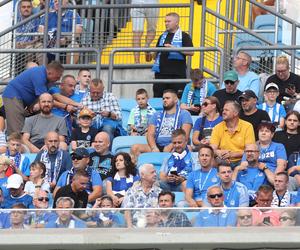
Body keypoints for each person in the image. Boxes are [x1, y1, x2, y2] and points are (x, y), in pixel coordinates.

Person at [2, 61, 64, 135]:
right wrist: (65, 106)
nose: (58, 79)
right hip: (13, 96)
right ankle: (17, 144)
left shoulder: (43, 74)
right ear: (50, 72)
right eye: (57, 77)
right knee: (17, 129)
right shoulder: (39, 75)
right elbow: (45, 99)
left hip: (22, 99)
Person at [131, 89, 192, 158]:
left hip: (176, 145)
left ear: (176, 100)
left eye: (167, 98)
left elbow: (185, 136)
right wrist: (154, 147)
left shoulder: (184, 114)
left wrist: (171, 145)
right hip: (157, 146)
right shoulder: (156, 114)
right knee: (135, 148)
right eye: (163, 98)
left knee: (184, 148)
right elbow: (150, 134)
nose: (165, 100)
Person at [151, 12, 194, 97]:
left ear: (176, 22)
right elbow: (155, 56)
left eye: (168, 21)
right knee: (158, 99)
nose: (166, 24)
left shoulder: (184, 36)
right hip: (161, 74)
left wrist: (175, 48)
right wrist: (153, 52)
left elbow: (191, 52)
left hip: (177, 75)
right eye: (165, 21)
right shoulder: (162, 36)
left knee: (177, 100)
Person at [210, 100, 255, 167]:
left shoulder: (247, 126)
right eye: (223, 110)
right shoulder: (217, 127)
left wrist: (231, 154)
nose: (223, 112)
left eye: (226, 110)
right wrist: (219, 153)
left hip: (242, 160)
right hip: (223, 160)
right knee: (211, 159)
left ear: (235, 113)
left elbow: (250, 150)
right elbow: (212, 148)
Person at [122, 164, 161, 228]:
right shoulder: (132, 191)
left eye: (155, 172)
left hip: (154, 229)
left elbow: (161, 213)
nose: (155, 174)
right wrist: (130, 229)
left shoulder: (160, 192)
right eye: (152, 172)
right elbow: (127, 211)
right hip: (135, 229)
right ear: (142, 175)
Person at [49, 75, 82, 140]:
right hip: (50, 126)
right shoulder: (54, 90)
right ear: (61, 86)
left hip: (65, 130)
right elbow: (54, 97)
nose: (73, 88)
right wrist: (65, 106)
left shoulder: (77, 97)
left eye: (74, 86)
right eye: (70, 86)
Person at [15, 0, 41, 74]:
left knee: (31, 48)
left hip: (29, 45)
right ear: (20, 9)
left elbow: (37, 38)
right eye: (24, 7)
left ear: (32, 8)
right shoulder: (15, 20)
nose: (26, 9)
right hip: (16, 46)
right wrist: (15, 44)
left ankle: (33, 72)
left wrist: (26, 43)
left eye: (28, 7)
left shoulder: (36, 20)